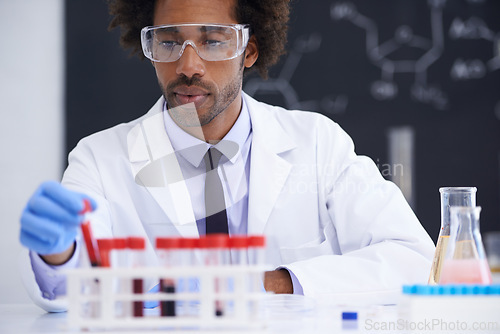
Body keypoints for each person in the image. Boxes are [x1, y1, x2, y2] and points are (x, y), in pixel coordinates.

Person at [19, 0, 435, 312]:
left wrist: (269, 283)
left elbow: (413, 260)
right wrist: (61, 253)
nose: (188, 65)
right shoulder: (100, 158)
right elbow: (72, 290)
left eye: (212, 41)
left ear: (248, 51)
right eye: (168, 41)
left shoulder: (317, 144)